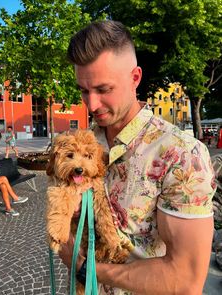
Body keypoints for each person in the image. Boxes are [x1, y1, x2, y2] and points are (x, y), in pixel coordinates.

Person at [59, 20, 216, 294]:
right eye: (84, 90)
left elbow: (186, 280)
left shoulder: (182, 156)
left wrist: (84, 268)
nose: (92, 104)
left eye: (103, 89)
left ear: (135, 78)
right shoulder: (84, 144)